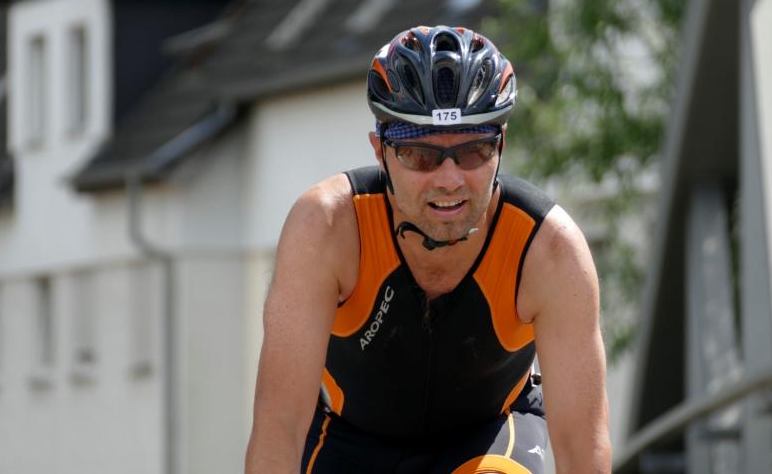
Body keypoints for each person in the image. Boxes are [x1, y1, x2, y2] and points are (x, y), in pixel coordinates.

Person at [244, 25, 611, 473]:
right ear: (380, 151)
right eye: (420, 155)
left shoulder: (549, 249)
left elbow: (583, 450)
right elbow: (279, 426)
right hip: (350, 440)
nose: (449, 179)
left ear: (501, 145)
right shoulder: (327, 227)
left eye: (473, 151)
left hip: (490, 436)